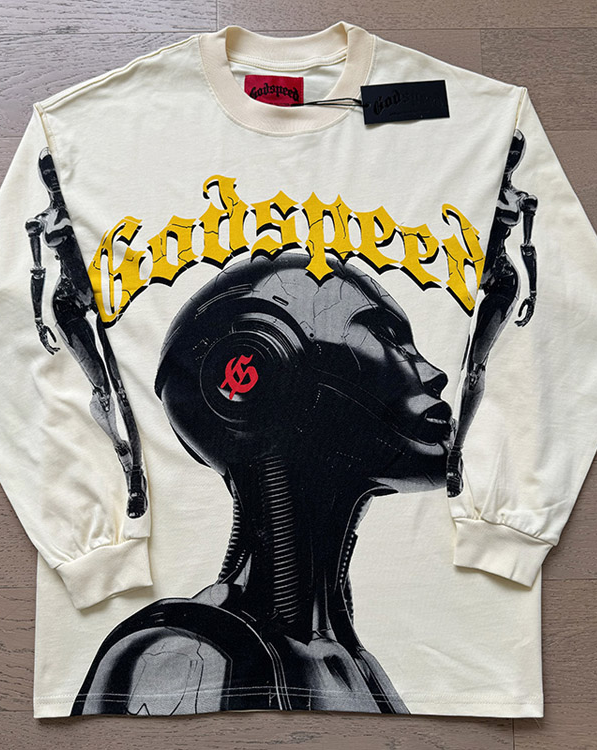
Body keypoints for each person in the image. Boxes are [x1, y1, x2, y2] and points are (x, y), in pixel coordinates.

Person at [72, 251, 455, 715]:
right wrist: (90, 559)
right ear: (264, 363)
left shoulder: (356, 665)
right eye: (388, 337)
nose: (436, 374)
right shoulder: (184, 654)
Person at [25, 147, 148, 518]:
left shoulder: (94, 200)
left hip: (105, 298)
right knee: (103, 390)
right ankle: (123, 457)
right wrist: (38, 319)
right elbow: (38, 272)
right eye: (45, 172)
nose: (51, 177)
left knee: (123, 387)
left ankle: (136, 479)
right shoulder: (40, 222)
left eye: (54, 170)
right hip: (66, 305)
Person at [446, 129, 538, 497]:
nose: (510, 158)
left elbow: (527, 248)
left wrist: (533, 292)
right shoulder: (468, 179)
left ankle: (456, 453)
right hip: (462, 271)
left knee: (475, 366)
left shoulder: (523, 199)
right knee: (445, 354)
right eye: (506, 151)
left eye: (516, 153)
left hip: (501, 280)